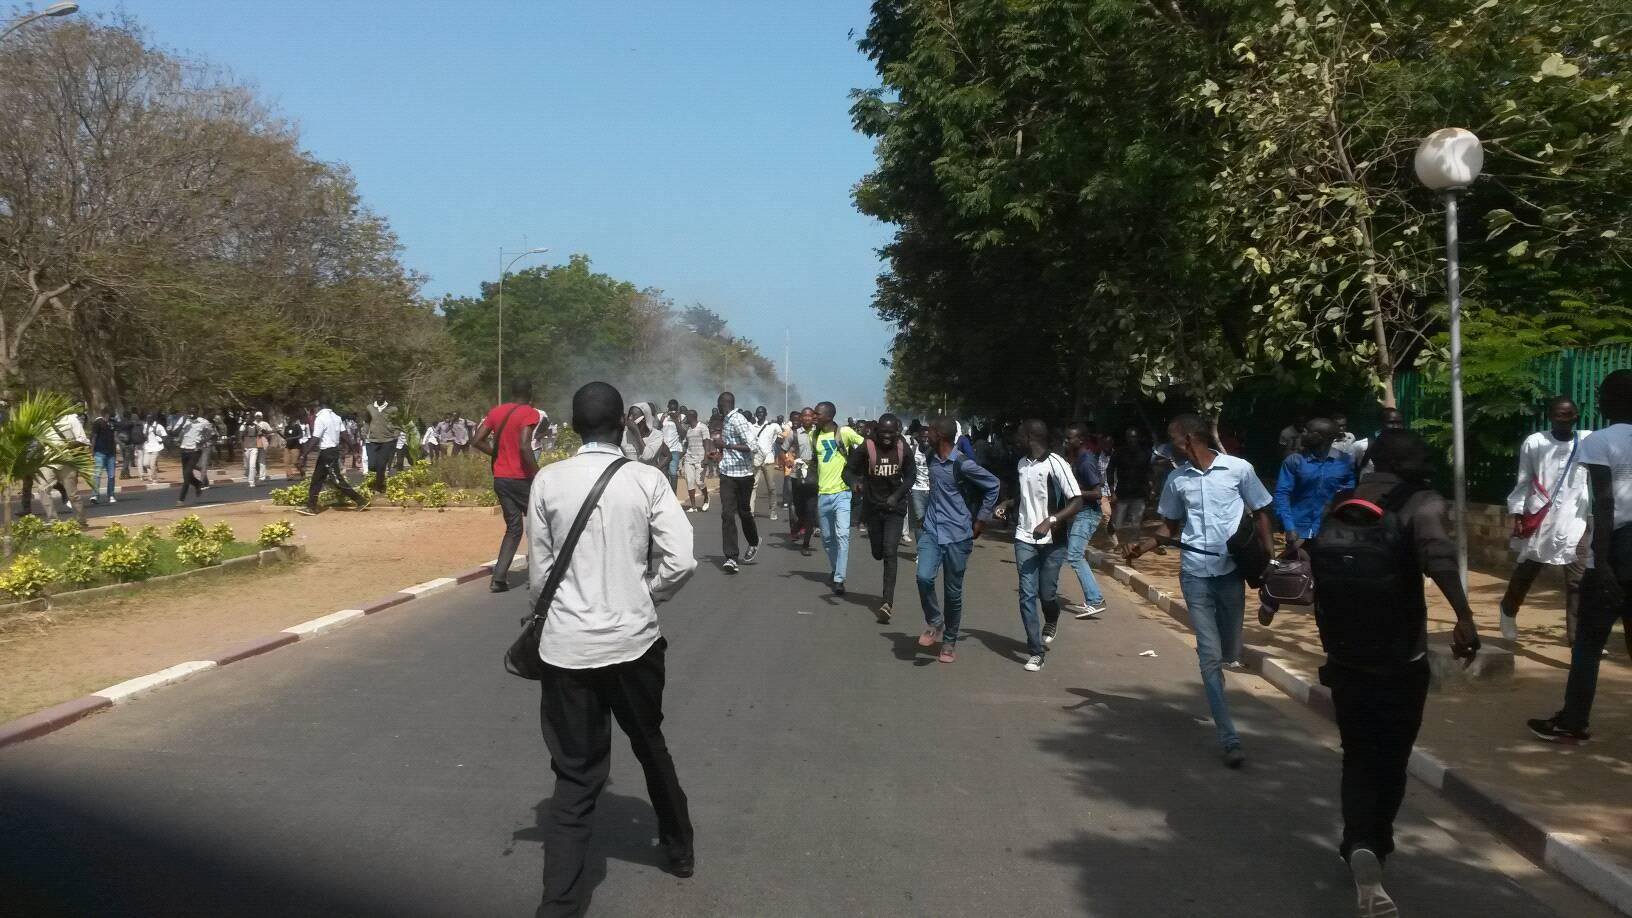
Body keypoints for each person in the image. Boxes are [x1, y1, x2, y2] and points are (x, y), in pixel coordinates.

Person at [525, 381, 697, 917]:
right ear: (624, 424)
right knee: (649, 743)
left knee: (574, 775)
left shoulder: (548, 481)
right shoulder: (646, 480)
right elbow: (681, 560)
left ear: (573, 426)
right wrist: (645, 594)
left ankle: (559, 903)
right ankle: (678, 846)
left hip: (566, 647)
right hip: (633, 642)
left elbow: (539, 574)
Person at [1300, 428, 1480, 918]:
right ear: (1414, 463)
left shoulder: (1342, 500)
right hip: (1401, 660)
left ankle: (1358, 840)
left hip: (1345, 657)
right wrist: (1464, 617)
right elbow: (1439, 557)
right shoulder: (1422, 502)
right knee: (1392, 757)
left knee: (1357, 755)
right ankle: (1376, 842)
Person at [1125, 413, 1275, 768]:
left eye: (1174, 441)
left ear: (1190, 439)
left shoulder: (1239, 470)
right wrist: (1145, 545)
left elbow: (1264, 511)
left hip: (1230, 573)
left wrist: (1268, 560)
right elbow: (1170, 526)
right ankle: (1229, 737)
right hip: (1194, 575)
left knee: (1229, 652)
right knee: (1209, 657)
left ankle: (1220, 684)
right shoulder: (1177, 480)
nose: (1171, 448)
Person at [1529, 370, 1632, 745]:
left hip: (1614, 550)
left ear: (1616, 400)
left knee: (1588, 643)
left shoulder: (1600, 441)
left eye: (1603, 395)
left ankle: (1573, 721)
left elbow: (1605, 503)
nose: (1599, 402)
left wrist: (1600, 563)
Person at [1500, 397, 1590, 643]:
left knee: (1578, 582)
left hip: (1575, 521)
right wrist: (1518, 513)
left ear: (1576, 416)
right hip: (1541, 520)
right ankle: (1508, 609)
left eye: (1569, 414)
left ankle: (1577, 641)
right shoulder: (1536, 442)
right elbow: (1524, 479)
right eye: (1559, 415)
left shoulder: (1588, 441)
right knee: (1526, 573)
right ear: (1550, 416)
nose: (1564, 419)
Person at [915, 415, 1001, 663]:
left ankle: (949, 641)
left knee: (953, 592)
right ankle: (935, 622)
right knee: (923, 577)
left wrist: (982, 519)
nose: (925, 435)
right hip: (932, 530)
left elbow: (993, 485)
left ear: (940, 435)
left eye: (929, 431)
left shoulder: (962, 465)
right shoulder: (931, 458)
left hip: (957, 535)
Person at [1264, 417, 1356, 625]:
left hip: (1329, 529)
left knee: (1325, 577)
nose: (1303, 435)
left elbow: (1349, 493)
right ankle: (1270, 598)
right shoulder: (1294, 461)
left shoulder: (1344, 462)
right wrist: (1288, 527)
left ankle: (1325, 622)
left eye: (1309, 432)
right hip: (1299, 527)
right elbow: (1282, 494)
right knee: (1290, 570)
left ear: (1323, 438)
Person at [1009, 420, 1085, 672]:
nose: (1016, 439)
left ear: (1031, 437)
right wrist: (1007, 504)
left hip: (1053, 541)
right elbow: (1023, 496)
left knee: (1046, 594)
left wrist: (1051, 520)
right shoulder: (1021, 464)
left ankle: (1051, 616)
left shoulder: (1056, 463)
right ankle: (1035, 651)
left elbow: (1077, 501)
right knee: (1026, 594)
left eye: (1020, 434)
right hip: (1024, 537)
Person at [845, 413, 916, 623]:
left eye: (890, 433)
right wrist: (854, 483)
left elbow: (911, 475)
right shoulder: (867, 446)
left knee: (890, 551)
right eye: (883, 432)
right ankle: (878, 553)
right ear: (877, 432)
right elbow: (848, 471)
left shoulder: (903, 447)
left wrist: (896, 496)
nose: (886, 436)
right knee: (878, 552)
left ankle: (887, 602)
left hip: (895, 508)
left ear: (897, 432)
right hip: (873, 508)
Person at [473, 386, 542, 593]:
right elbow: (524, 445)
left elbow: (476, 440)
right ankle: (536, 577)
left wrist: (498, 453)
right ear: (531, 396)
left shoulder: (496, 412)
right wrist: (539, 475)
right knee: (537, 527)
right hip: (521, 479)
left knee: (513, 528)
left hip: (501, 478)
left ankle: (499, 578)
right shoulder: (530, 413)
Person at [810, 401, 864, 594]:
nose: (814, 416)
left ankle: (840, 578)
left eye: (817, 414)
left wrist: (857, 471)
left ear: (829, 416)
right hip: (823, 494)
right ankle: (835, 569)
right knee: (827, 539)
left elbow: (865, 446)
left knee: (842, 535)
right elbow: (816, 461)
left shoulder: (845, 432)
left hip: (842, 493)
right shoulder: (814, 435)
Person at [1062, 423, 1109, 619]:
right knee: (1073, 554)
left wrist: (1075, 492)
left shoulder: (1086, 461)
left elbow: (1098, 493)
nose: (1066, 441)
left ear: (1080, 440)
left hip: (1088, 514)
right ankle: (1091, 598)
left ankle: (1096, 599)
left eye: (1069, 438)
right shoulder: (1077, 458)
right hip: (1080, 513)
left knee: (1074, 555)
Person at [714, 392, 760, 574]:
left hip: (744, 474)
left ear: (723, 403)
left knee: (744, 512)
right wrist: (720, 452)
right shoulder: (725, 420)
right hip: (727, 473)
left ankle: (754, 541)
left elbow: (753, 446)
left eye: (718, 403)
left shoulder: (738, 419)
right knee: (727, 514)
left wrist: (727, 446)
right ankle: (731, 557)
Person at [298, 399, 368, 516]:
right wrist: (354, 450)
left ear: (318, 407)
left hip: (327, 453)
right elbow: (345, 435)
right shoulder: (336, 417)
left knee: (336, 480)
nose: (312, 411)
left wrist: (303, 455)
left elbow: (315, 438)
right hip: (332, 451)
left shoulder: (320, 419)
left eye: (313, 408)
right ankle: (311, 506)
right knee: (317, 479)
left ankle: (360, 500)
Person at [1107, 427, 1152, 549]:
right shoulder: (1119, 453)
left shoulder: (1145, 453)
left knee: (1136, 524)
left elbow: (1149, 472)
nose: (1132, 440)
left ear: (1138, 438)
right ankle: (1116, 543)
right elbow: (1110, 470)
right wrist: (1112, 491)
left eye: (1134, 437)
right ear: (1126, 438)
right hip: (1122, 493)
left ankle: (1133, 546)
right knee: (1118, 524)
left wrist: (1150, 490)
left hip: (1139, 494)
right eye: (1129, 437)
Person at [782, 408, 819, 554]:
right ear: (801, 418)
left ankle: (806, 544)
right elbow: (783, 449)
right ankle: (798, 525)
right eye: (805, 416)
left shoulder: (819, 433)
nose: (808, 418)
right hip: (797, 476)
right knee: (799, 508)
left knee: (811, 510)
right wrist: (787, 461)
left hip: (814, 476)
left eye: (810, 416)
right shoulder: (794, 433)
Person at [172, 411, 213, 504]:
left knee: (186, 476)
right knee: (188, 476)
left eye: (194, 411)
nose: (191, 413)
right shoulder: (183, 420)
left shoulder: (203, 422)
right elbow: (174, 432)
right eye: (190, 411)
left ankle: (181, 499)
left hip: (195, 451)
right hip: (184, 451)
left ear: (197, 412)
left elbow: (211, 433)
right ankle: (198, 484)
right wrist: (183, 423)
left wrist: (203, 440)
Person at [363, 392, 400, 492]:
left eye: (382, 395)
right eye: (378, 395)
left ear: (385, 396)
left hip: (387, 440)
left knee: (381, 465)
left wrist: (396, 433)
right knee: (372, 465)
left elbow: (397, 423)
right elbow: (367, 421)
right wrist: (364, 432)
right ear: (375, 396)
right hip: (373, 440)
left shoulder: (392, 409)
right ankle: (378, 481)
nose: (380, 396)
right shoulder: (370, 408)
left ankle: (379, 486)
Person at [1351, 408, 1405, 475]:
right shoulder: (1361, 446)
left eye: (1399, 423)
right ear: (1380, 423)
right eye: (1391, 422)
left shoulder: (1406, 447)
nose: (1396, 426)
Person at [905, 420, 931, 546]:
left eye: (928, 437)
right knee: (920, 520)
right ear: (918, 438)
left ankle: (931, 549)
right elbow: (906, 468)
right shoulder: (913, 451)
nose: (925, 439)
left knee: (932, 521)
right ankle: (921, 550)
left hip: (933, 491)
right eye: (923, 437)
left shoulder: (935, 452)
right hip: (917, 490)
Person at [753, 406, 782, 520]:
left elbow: (783, 435)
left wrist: (780, 440)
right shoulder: (752, 427)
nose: (759, 414)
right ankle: (751, 511)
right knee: (753, 486)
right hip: (755, 461)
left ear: (766, 414)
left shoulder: (773, 426)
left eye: (762, 412)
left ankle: (773, 510)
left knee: (771, 487)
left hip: (768, 460)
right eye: (758, 412)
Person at [681, 410, 709, 512]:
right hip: (689, 459)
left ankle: (706, 498)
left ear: (692, 417)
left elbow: (707, 442)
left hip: (700, 459)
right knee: (689, 482)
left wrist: (706, 458)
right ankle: (693, 506)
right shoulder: (688, 430)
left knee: (699, 482)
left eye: (687, 417)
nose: (685, 419)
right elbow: (685, 444)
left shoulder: (703, 427)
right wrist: (681, 455)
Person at [241, 411, 276, 487]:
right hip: (246, 448)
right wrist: (242, 447)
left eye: (250, 418)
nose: (249, 419)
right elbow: (241, 438)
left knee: (253, 464)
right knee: (247, 465)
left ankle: (251, 481)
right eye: (247, 418)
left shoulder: (257, 426)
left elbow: (266, 431)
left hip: (255, 447)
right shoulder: (244, 426)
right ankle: (249, 475)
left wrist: (275, 431)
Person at [89, 413, 119, 505]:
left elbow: (115, 436)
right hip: (99, 452)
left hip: (111, 453)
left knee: (111, 475)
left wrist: (116, 449)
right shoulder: (97, 423)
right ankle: (95, 495)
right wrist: (92, 451)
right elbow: (94, 437)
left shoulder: (112, 423)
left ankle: (111, 495)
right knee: (97, 475)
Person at [661, 400, 684, 490]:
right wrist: (662, 420)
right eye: (671, 409)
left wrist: (675, 419)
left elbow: (683, 434)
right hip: (663, 449)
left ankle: (674, 495)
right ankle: (666, 493)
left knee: (673, 473)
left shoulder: (682, 417)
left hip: (674, 449)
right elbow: (657, 429)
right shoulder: (661, 416)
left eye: (674, 409)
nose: (672, 411)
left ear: (677, 409)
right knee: (664, 472)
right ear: (668, 408)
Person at [140, 412, 167, 482]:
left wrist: (161, 441)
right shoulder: (145, 425)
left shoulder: (159, 426)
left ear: (153, 419)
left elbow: (165, 435)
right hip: (147, 447)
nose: (148, 419)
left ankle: (154, 478)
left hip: (156, 447)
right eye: (147, 418)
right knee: (145, 464)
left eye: (150, 418)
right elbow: (144, 435)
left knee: (152, 464)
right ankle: (151, 476)